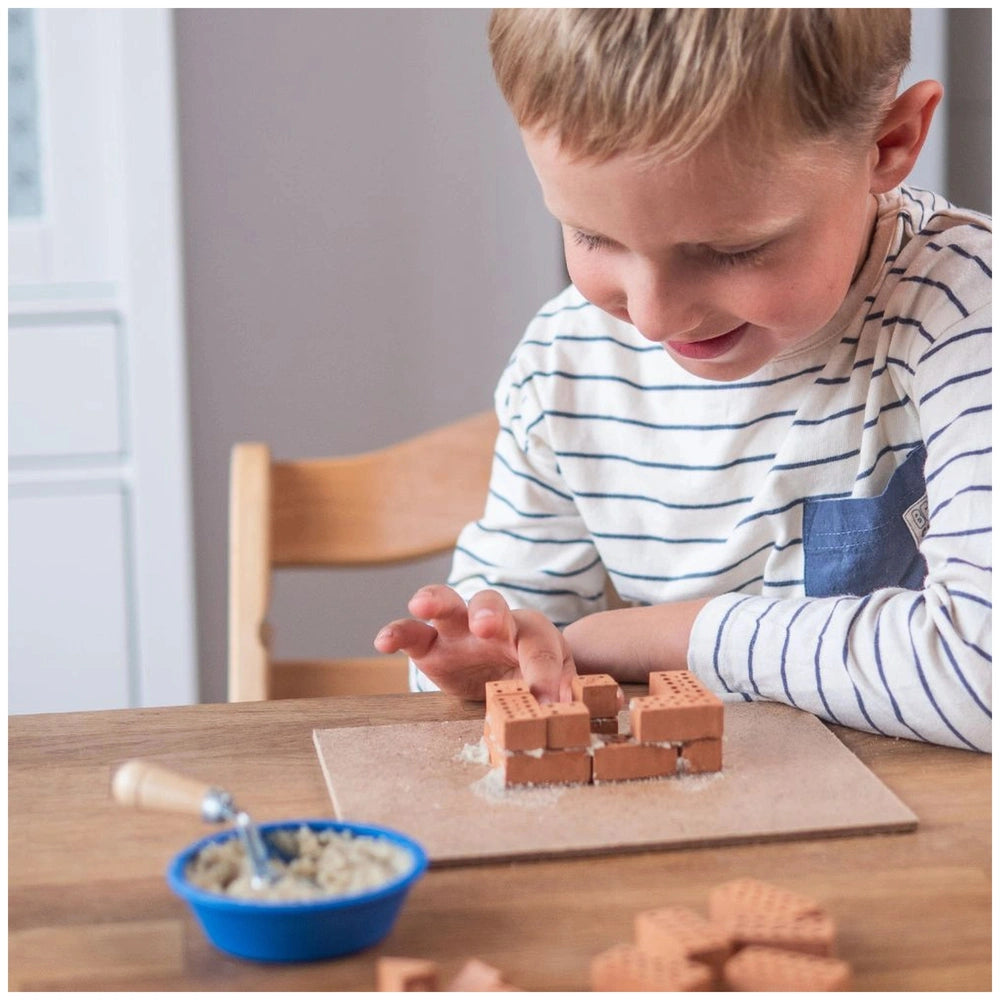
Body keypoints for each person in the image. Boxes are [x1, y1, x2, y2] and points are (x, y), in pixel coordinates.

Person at [374, 9, 991, 752]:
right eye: (592, 235)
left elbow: (982, 671)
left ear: (888, 144)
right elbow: (515, 643)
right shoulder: (564, 365)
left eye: (730, 251)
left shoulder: (968, 309)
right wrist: (489, 662)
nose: (653, 316)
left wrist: (652, 637)